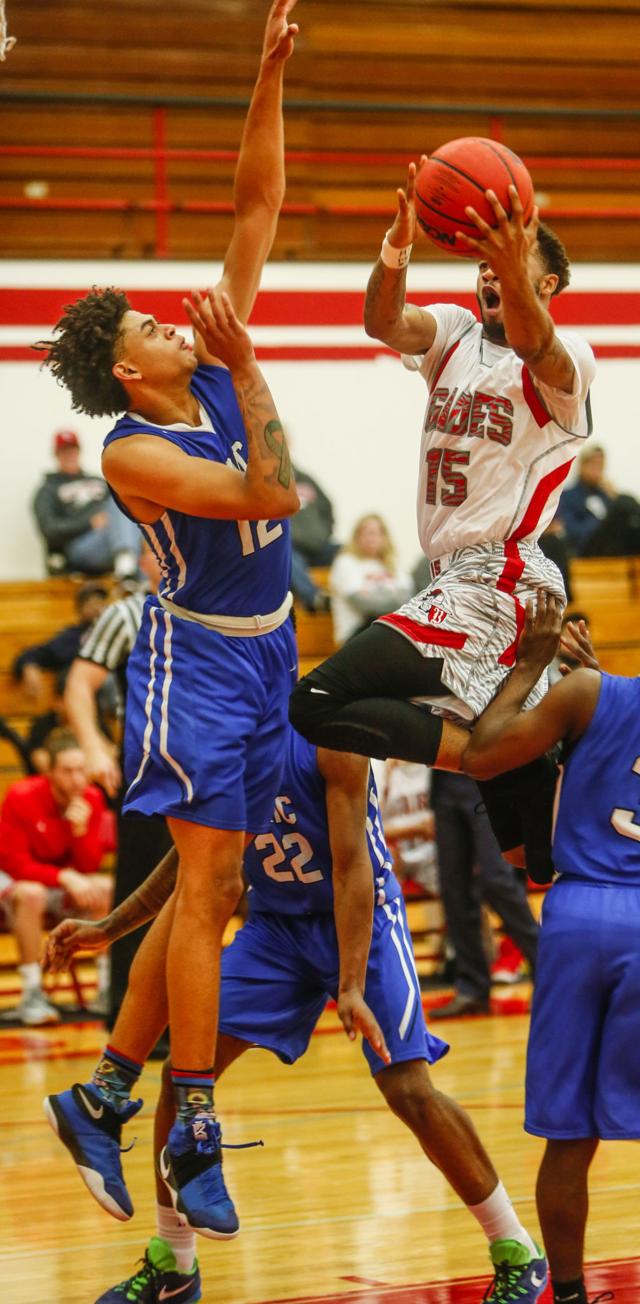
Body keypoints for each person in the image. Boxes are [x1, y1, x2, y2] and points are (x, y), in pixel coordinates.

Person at [40, 0, 300, 1239]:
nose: (167, 319)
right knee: (206, 893)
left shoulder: (191, 370)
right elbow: (271, 490)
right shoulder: (136, 445)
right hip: (192, 663)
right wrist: (247, 366)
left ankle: (100, 1092)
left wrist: (264, 80)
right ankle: (188, 1124)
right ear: (129, 368)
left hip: (271, 647)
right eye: (147, 326)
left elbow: (254, 210)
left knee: (218, 889)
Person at [46, 724, 548, 1304]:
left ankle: (516, 1249)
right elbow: (191, 859)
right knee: (186, 1074)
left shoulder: (328, 733)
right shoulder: (219, 745)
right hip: (276, 931)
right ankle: (173, 1266)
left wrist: (352, 984)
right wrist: (109, 929)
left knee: (409, 1088)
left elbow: (352, 867)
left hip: (361, 920)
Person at [289, 163, 595, 879]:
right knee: (535, 858)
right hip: (452, 577)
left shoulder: (567, 360)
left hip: (499, 578)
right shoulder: (454, 333)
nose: (491, 274)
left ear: (545, 285)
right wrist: (398, 247)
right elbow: (382, 319)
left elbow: (535, 343)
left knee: (319, 700)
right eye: (484, 263)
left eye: (511, 264)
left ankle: (498, 745)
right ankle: (523, 744)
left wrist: (513, 256)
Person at [463, 590, 640, 1304]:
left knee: (569, 1137)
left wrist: (533, 663)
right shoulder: (593, 692)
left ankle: (566, 1295)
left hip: (576, 915)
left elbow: (484, 753)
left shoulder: (589, 692)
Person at [64, 545, 173, 1024]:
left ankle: (188, 1010)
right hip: (147, 769)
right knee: (141, 888)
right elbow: (79, 683)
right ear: (142, 562)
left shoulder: (211, 609)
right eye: (155, 549)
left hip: (206, 768)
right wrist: (91, 744)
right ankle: (131, 1015)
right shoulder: (125, 615)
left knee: (204, 889)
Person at [0, 728, 114, 1025]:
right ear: (49, 772)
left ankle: (106, 988)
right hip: (14, 889)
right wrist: (64, 876)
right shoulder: (22, 797)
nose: (76, 779)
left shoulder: (91, 798)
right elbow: (15, 865)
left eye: (81, 770)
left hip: (57, 888)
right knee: (31, 892)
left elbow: (89, 867)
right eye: (67, 771)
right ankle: (31, 993)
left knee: (105, 887)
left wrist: (79, 833)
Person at [428, 770, 538, 1019]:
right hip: (443, 779)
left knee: (495, 879)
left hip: (488, 773)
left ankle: (549, 970)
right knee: (453, 889)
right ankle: (472, 989)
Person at [33, 429, 140, 578]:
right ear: (56, 455)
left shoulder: (99, 482)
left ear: (79, 451)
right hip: (80, 547)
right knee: (120, 507)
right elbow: (50, 530)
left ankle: (130, 570)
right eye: (64, 452)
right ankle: (127, 564)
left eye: (72, 450)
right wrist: (90, 523)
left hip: (115, 537)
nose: (69, 455)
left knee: (124, 498)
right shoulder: (48, 490)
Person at [12, 580, 108, 704]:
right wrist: (29, 666)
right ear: (80, 608)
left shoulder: (120, 632)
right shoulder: (71, 637)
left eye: (101, 601)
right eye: (91, 602)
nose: (97, 606)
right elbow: (33, 654)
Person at [329, 512, 413, 645]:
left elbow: (407, 601)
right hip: (356, 635)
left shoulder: (392, 565)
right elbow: (364, 605)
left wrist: (374, 596)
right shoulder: (345, 562)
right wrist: (392, 596)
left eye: (376, 533)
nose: (371, 538)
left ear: (385, 538)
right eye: (366, 533)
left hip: (388, 630)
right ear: (356, 537)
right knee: (380, 621)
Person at [558, 442, 640, 557]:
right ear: (582, 466)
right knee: (623, 503)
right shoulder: (568, 496)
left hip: (612, 545)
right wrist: (603, 523)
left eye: (600, 466)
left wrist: (614, 495)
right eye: (593, 464)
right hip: (587, 546)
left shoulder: (605, 495)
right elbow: (573, 530)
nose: (597, 470)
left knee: (629, 508)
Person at [289, 461, 338, 612]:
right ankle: (315, 598)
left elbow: (327, 507)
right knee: (285, 557)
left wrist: (324, 533)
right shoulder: (267, 481)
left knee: (348, 551)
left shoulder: (306, 479)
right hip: (292, 549)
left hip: (319, 547)